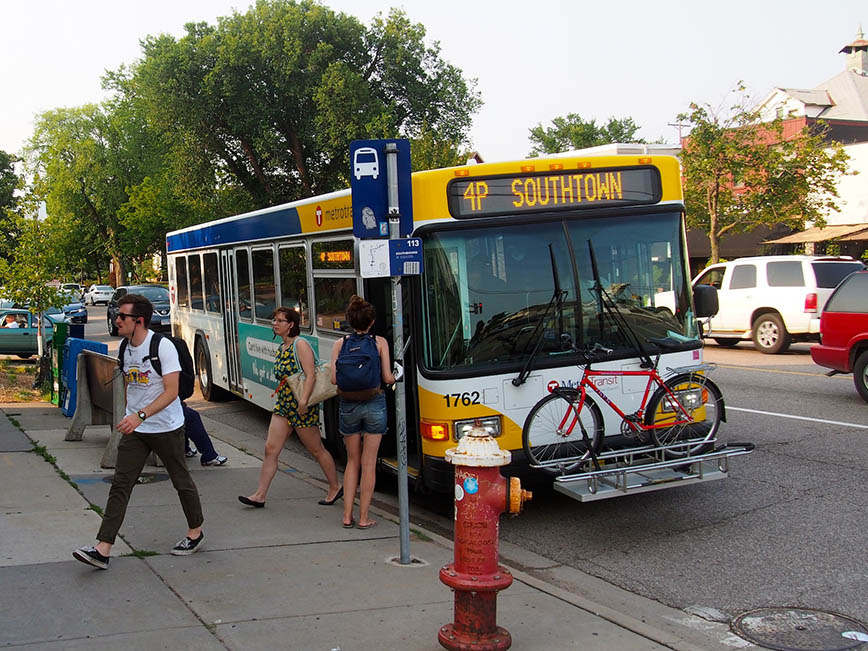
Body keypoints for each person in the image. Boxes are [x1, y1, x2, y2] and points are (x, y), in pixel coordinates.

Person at [72, 294, 205, 570]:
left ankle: (195, 532)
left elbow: (172, 393)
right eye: (117, 315)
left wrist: (140, 414)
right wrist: (130, 415)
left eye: (122, 316)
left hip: (167, 427)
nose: (116, 320)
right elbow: (131, 385)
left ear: (139, 321)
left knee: (181, 481)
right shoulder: (125, 347)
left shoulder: (163, 347)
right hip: (137, 429)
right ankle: (103, 548)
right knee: (121, 483)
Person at [239, 307, 341, 508]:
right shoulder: (283, 347)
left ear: (291, 324)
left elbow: (310, 375)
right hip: (284, 404)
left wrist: (303, 402)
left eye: (280, 321)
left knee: (316, 449)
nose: (275, 324)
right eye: (274, 320)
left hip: (301, 405)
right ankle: (260, 495)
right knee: (270, 449)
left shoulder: (300, 344)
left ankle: (335, 487)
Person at [330, 296, 396, 529]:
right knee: (369, 464)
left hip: (348, 405)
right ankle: (364, 517)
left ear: (349, 321)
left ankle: (346, 516)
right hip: (374, 403)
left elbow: (334, 378)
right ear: (372, 321)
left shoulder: (340, 344)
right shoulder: (379, 343)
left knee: (352, 462)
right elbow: (387, 378)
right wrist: (396, 376)